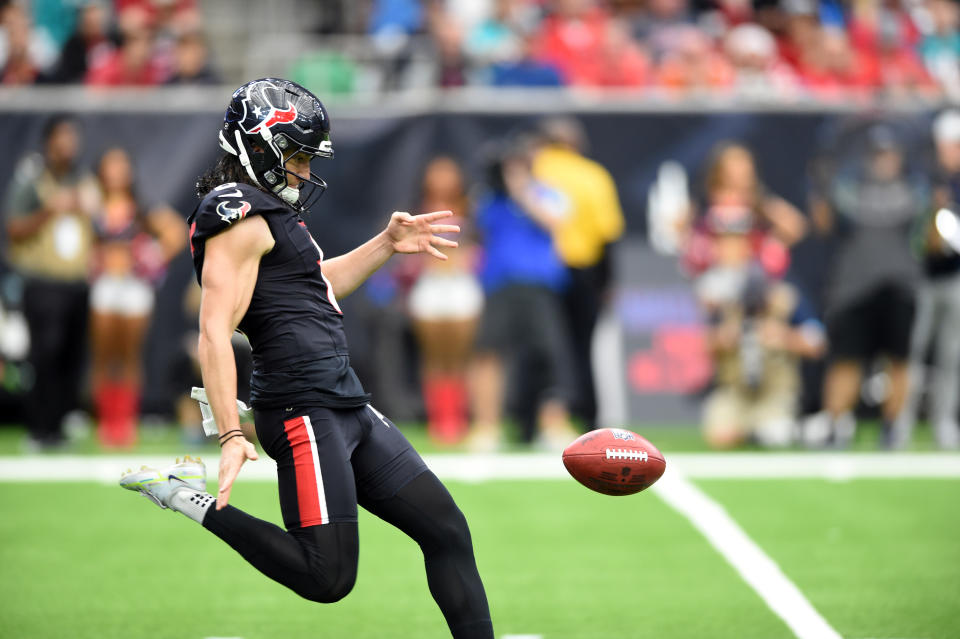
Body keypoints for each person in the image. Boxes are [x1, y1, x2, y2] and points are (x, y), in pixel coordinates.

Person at [119, 79, 493, 639]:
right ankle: (185, 495)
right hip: (302, 407)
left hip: (342, 397)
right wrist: (227, 434)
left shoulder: (270, 211)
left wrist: (385, 244)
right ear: (260, 147)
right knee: (328, 577)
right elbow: (213, 330)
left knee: (446, 530)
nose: (302, 170)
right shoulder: (236, 213)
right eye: (295, 155)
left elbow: (316, 287)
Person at [810, 123, 929, 447]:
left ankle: (892, 427)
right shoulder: (848, 187)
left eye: (889, 153)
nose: (884, 160)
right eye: (878, 154)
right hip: (855, 284)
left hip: (900, 284)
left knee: (899, 360)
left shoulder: (916, 188)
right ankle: (836, 424)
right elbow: (823, 224)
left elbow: (928, 230)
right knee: (846, 359)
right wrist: (821, 190)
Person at [468, 137, 578, 451]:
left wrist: (523, 192)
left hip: (539, 288)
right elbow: (477, 228)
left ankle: (553, 425)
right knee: (489, 354)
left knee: (549, 355)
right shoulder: (491, 200)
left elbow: (555, 220)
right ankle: (486, 428)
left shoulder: (549, 194)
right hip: (500, 286)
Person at [3, 115, 96, 449]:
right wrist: (50, 210)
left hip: (76, 282)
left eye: (73, 136)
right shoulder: (32, 179)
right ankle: (38, 428)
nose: (69, 143)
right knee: (45, 355)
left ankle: (59, 427)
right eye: (62, 137)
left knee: (72, 357)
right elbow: (13, 228)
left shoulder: (83, 178)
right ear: (48, 141)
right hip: (42, 283)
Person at [88, 147, 185, 448]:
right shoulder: (93, 205)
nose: (116, 173)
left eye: (121, 166)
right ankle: (105, 422)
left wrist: (150, 258)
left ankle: (125, 423)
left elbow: (176, 232)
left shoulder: (142, 208)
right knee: (104, 356)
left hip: (134, 288)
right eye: (110, 166)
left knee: (130, 356)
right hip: (105, 286)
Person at [532, 116, 624, 430]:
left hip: (541, 273)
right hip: (585, 271)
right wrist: (609, 281)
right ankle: (588, 415)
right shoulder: (593, 175)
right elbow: (608, 233)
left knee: (542, 348)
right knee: (583, 347)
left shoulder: (535, 171)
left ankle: (533, 418)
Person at [895, 109, 960, 449]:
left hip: (955, 277)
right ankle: (901, 422)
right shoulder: (923, 179)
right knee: (913, 351)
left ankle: (944, 422)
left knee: (953, 354)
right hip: (921, 276)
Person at [407, 156, 482, 445]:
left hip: (462, 288)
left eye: (448, 174)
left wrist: (465, 260)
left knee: (461, 357)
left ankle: (461, 419)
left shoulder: (471, 210)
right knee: (434, 357)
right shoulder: (416, 211)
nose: (442, 180)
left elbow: (479, 248)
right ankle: (440, 420)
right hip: (429, 291)